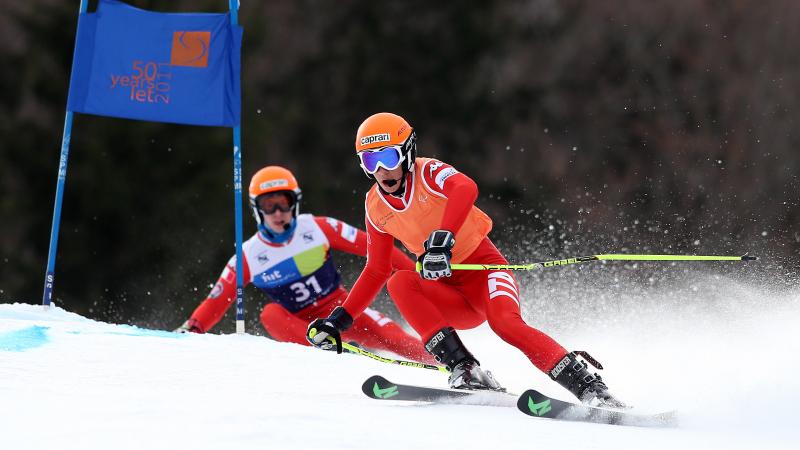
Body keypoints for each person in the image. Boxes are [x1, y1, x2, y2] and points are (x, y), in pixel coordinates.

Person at [306, 113, 625, 408]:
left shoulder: (428, 172)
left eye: (388, 157)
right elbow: (376, 268)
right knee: (399, 281)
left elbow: (465, 187)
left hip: (484, 271)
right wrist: (339, 321)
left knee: (505, 324)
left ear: (406, 153)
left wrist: (443, 238)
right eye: (370, 160)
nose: (381, 170)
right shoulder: (375, 205)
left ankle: (589, 387)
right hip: (447, 292)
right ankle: (464, 367)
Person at [177, 165, 432, 363]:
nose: (278, 212)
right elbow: (217, 300)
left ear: (295, 203)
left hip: (340, 312)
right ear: (257, 210)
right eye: (269, 205)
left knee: (396, 338)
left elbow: (378, 249)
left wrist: (419, 276)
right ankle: (331, 352)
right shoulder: (248, 256)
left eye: (284, 202)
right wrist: (193, 328)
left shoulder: (318, 227)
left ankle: (454, 366)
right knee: (270, 314)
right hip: (302, 326)